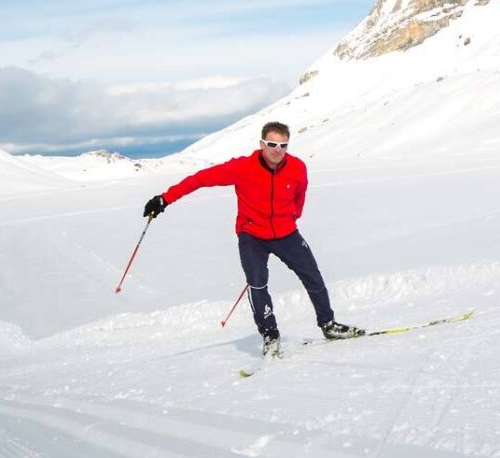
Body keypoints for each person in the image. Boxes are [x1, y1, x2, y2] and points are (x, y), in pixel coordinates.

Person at [142, 121, 363, 357]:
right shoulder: (242, 167)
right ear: (261, 144)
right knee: (257, 283)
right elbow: (201, 179)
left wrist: (290, 219)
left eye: (283, 145)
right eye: (272, 144)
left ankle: (328, 325)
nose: (277, 150)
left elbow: (300, 198)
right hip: (252, 236)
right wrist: (165, 199)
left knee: (312, 276)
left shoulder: (298, 168)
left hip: (286, 233)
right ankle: (270, 334)